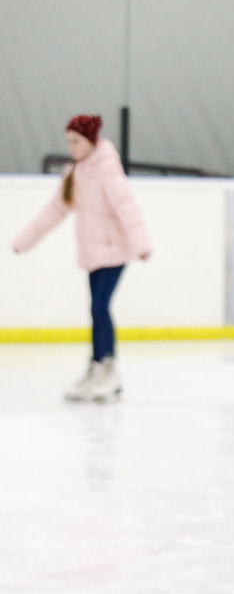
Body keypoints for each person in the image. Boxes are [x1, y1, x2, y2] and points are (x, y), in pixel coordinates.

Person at [11, 114, 152, 402]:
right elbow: (54, 211)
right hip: (93, 254)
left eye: (76, 141)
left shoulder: (107, 169)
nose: (71, 147)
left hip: (115, 251)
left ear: (90, 141)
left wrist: (141, 244)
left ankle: (109, 371)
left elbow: (126, 207)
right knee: (95, 310)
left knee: (100, 307)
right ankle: (96, 367)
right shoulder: (75, 173)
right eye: (69, 142)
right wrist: (24, 241)